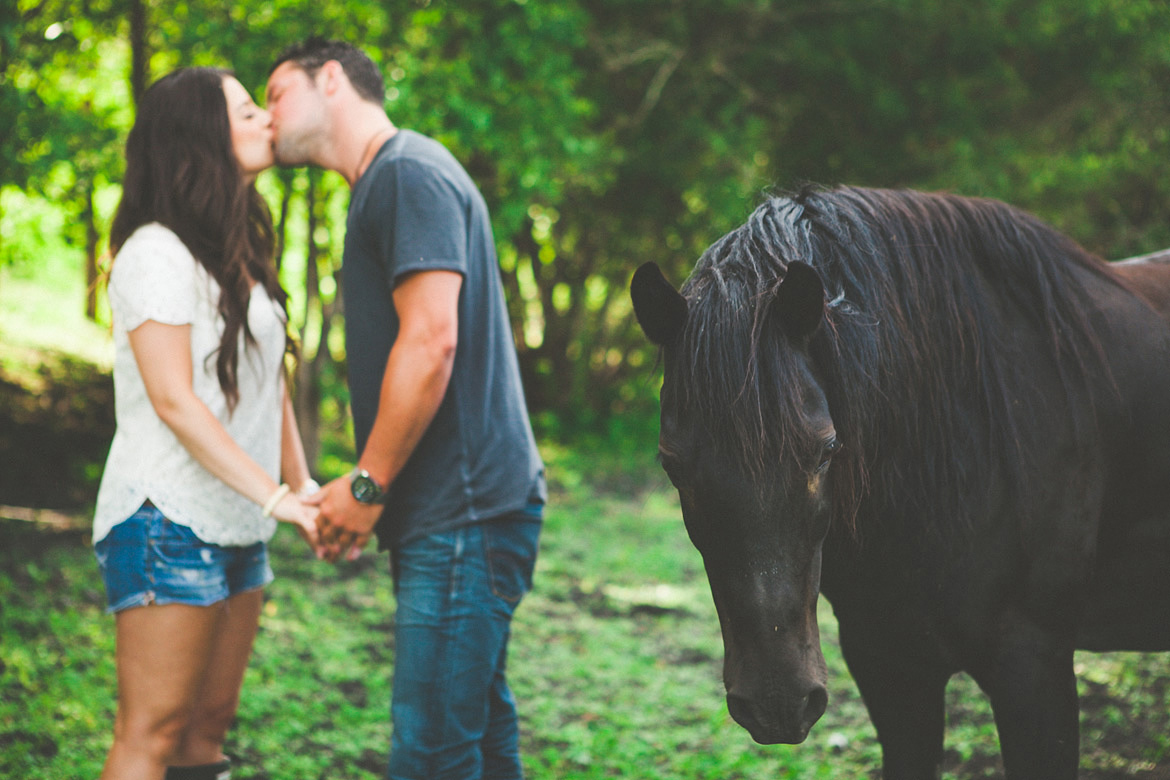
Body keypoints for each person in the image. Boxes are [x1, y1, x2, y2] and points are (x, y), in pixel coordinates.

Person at [266, 38, 547, 780]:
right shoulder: (393, 178)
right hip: (464, 512)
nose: (268, 118)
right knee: (475, 737)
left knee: (429, 753)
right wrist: (368, 494)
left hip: (464, 515)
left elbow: (430, 344)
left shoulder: (405, 173)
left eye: (275, 95)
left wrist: (366, 487)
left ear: (330, 79)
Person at [93, 66, 321, 780]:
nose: (265, 121)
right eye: (246, 110)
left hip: (238, 521)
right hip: (165, 520)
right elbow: (174, 400)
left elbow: (266, 382)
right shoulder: (156, 251)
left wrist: (301, 483)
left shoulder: (239, 250)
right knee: (152, 734)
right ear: (199, 136)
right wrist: (275, 497)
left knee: (205, 737)